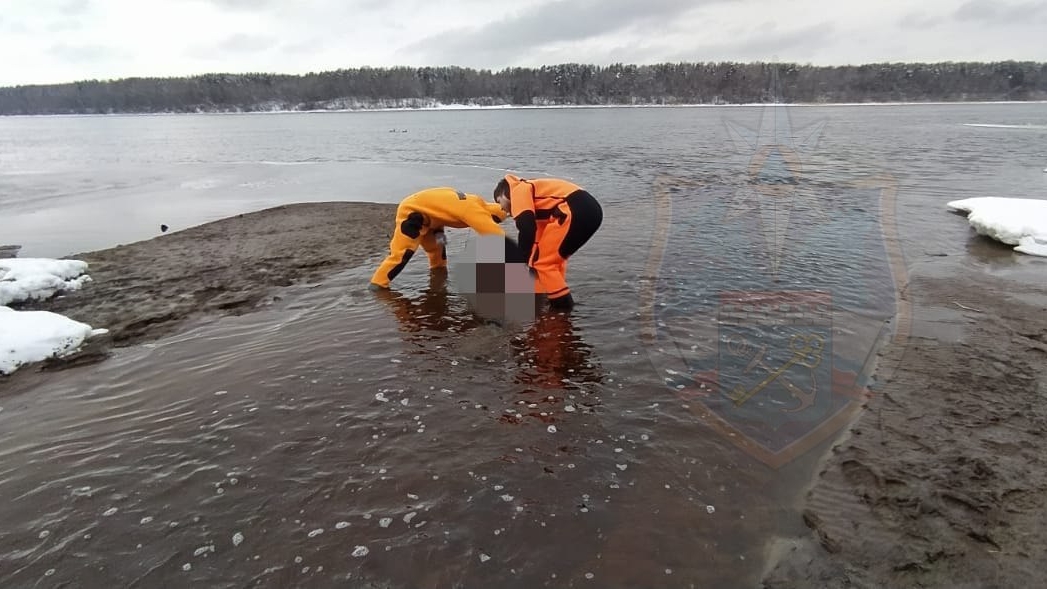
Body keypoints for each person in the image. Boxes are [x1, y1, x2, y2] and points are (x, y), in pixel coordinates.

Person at [369, 186, 523, 290]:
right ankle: (377, 285)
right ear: (491, 215)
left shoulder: (476, 200)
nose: (494, 221)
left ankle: (438, 277)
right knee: (402, 254)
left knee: (438, 252)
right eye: (495, 219)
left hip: (435, 221)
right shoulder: (475, 210)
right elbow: (495, 235)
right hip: (413, 213)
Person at [493, 174, 603, 310]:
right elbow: (535, 242)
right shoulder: (536, 204)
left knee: (544, 264)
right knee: (549, 261)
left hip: (575, 208)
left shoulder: (518, 189)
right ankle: (548, 298)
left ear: (504, 193)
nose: (504, 212)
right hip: (587, 209)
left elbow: (526, 227)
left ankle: (562, 310)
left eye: (500, 203)